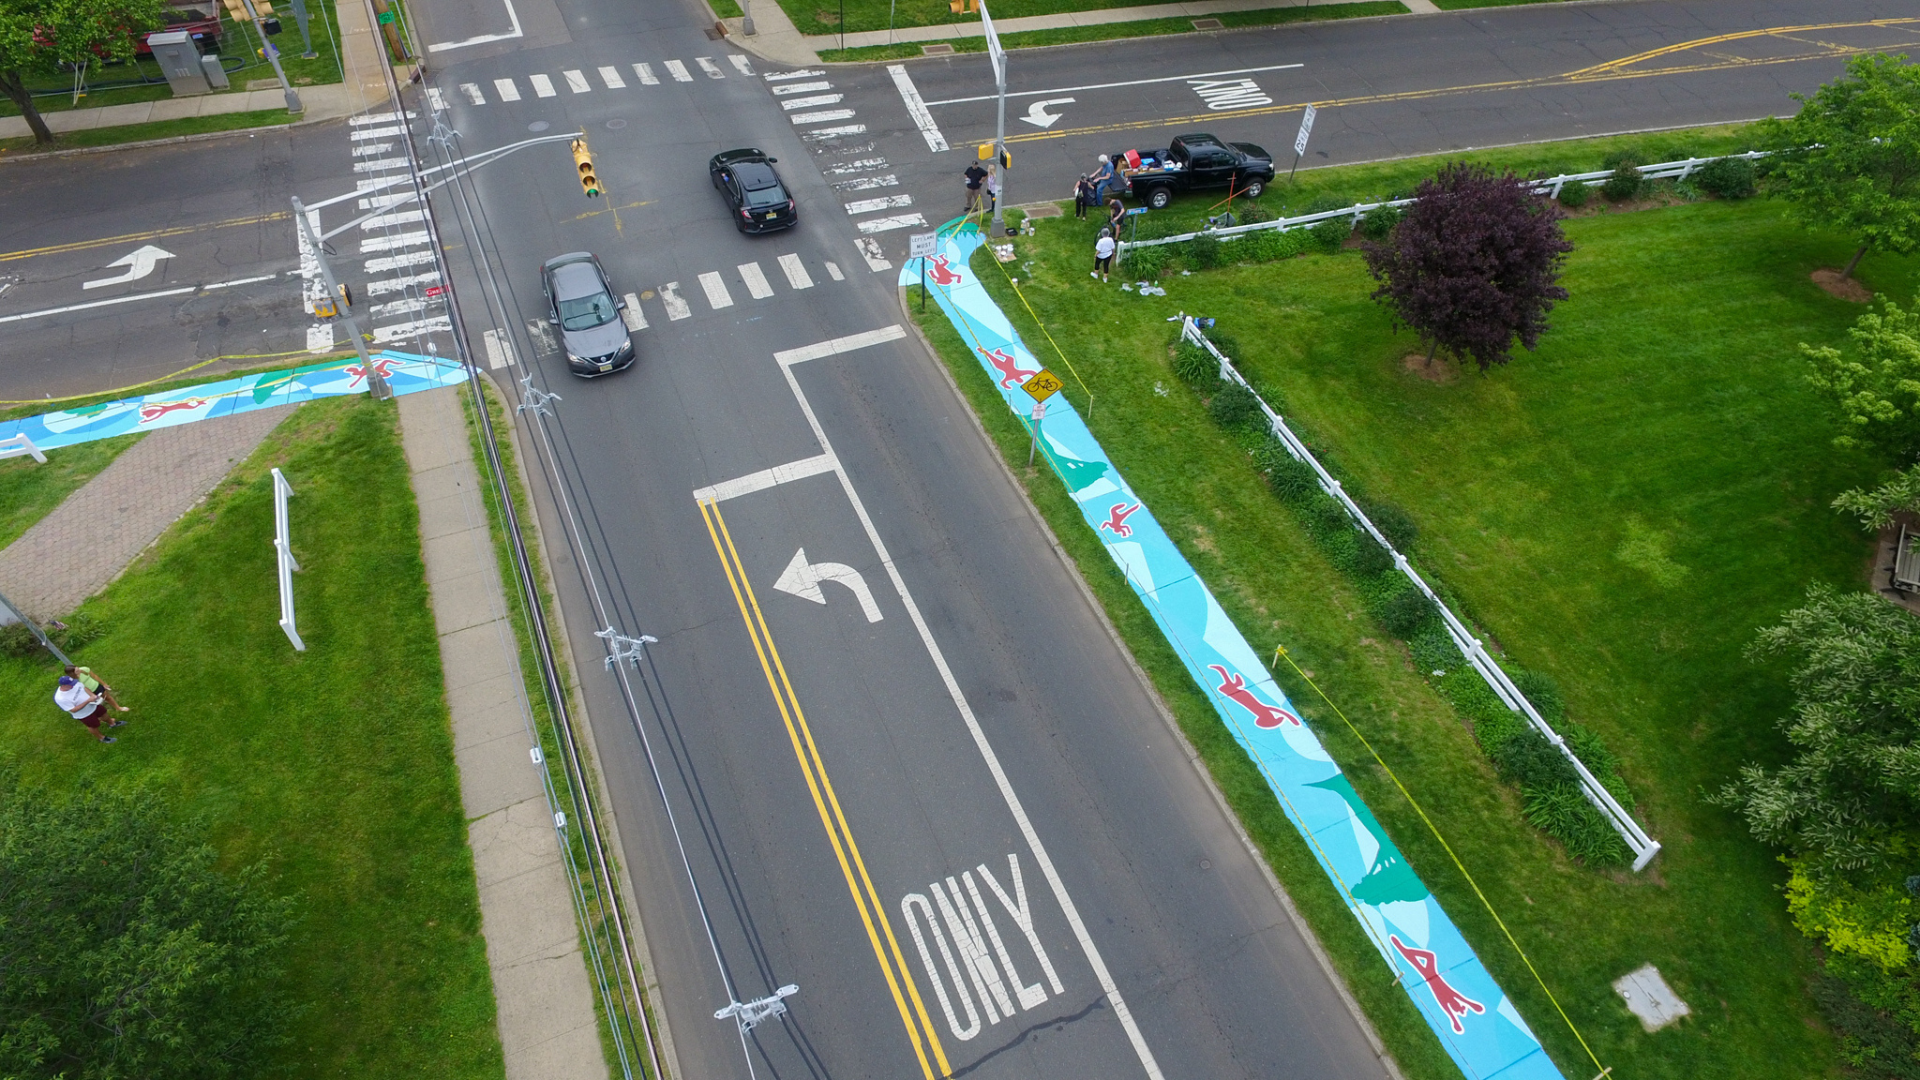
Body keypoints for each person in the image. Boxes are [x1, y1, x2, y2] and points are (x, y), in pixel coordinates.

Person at [55, 674, 121, 743]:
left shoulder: (75, 683)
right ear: (64, 685)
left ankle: (112, 724)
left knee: (104, 714)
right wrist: (88, 701)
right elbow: (73, 710)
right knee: (93, 726)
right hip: (84, 714)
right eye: (71, 684)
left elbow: (84, 688)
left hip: (93, 704)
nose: (74, 685)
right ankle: (102, 738)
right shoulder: (60, 698)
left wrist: (93, 695)